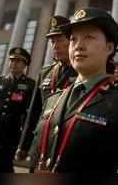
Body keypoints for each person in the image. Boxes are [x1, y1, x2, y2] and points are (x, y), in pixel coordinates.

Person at [29, 8, 118, 173]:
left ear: (109, 48)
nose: (78, 46)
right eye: (73, 39)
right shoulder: (53, 100)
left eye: (89, 37)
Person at [16, 16, 77, 164]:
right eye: (52, 41)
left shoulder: (81, 71)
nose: (55, 46)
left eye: (60, 40)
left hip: (68, 145)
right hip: (41, 145)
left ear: (71, 41)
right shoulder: (45, 72)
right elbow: (34, 111)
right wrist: (24, 145)